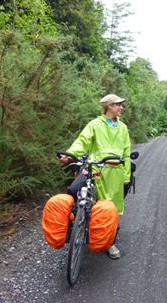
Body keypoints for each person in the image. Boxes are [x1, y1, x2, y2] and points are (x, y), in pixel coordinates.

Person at [58, 94, 131, 259]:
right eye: (118, 105)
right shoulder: (95, 125)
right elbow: (82, 141)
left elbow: (126, 152)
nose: (121, 108)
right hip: (97, 170)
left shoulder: (123, 128)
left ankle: (110, 242)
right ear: (109, 107)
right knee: (78, 192)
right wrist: (70, 154)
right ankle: (79, 226)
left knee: (112, 207)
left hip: (116, 172)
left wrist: (127, 175)